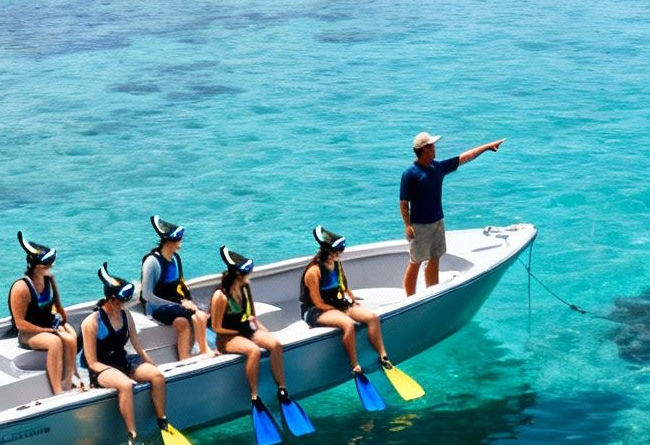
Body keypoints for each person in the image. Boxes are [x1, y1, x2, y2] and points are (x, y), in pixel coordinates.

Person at [399, 131, 505, 294]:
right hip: (419, 226)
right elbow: (404, 203)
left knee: (435, 258)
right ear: (425, 149)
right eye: (432, 146)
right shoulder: (410, 174)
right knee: (416, 262)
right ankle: (409, 298)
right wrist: (407, 226)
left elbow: (464, 158)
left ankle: (432, 292)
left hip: (438, 222)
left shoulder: (438, 167)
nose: (435, 149)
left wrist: (487, 147)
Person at [87, 264, 172, 444]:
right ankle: (132, 434)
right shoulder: (91, 323)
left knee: (157, 376)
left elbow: (136, 344)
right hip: (102, 368)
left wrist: (149, 362)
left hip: (123, 361)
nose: (122, 305)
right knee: (126, 385)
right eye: (119, 302)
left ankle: (162, 421)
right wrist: (116, 373)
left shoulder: (126, 315)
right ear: (109, 299)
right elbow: (92, 362)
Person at [209, 244, 292, 412]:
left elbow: (251, 315)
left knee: (275, 344)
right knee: (253, 351)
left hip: (247, 330)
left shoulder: (245, 287)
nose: (249, 276)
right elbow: (217, 327)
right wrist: (240, 331)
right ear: (238, 275)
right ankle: (255, 396)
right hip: (227, 337)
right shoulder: (220, 296)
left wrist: (263, 330)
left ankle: (282, 389)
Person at [303, 226, 393, 376]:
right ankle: (355, 365)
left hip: (338, 304)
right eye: (338, 251)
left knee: (372, 318)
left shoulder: (337, 264)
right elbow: (317, 302)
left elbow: (343, 287)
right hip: (316, 310)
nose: (341, 254)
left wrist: (351, 300)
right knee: (348, 324)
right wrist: (341, 312)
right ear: (329, 251)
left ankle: (383, 357)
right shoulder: (314, 272)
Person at [9, 232, 80, 395]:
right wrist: (46, 331)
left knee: (71, 337)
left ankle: (70, 379)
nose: (52, 266)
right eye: (48, 263)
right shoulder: (21, 288)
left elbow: (57, 305)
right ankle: (57, 390)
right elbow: (20, 323)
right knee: (55, 343)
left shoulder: (49, 279)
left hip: (49, 325)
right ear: (37, 266)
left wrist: (63, 323)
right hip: (29, 333)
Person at [140, 216, 210, 361]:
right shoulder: (152, 262)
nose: (181, 243)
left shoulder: (176, 258)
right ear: (169, 241)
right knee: (185, 318)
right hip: (156, 308)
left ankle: (204, 350)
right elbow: (147, 295)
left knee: (198, 315)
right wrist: (179, 305)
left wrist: (188, 301)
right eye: (178, 240)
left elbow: (181, 285)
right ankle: (185, 357)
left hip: (175, 304)